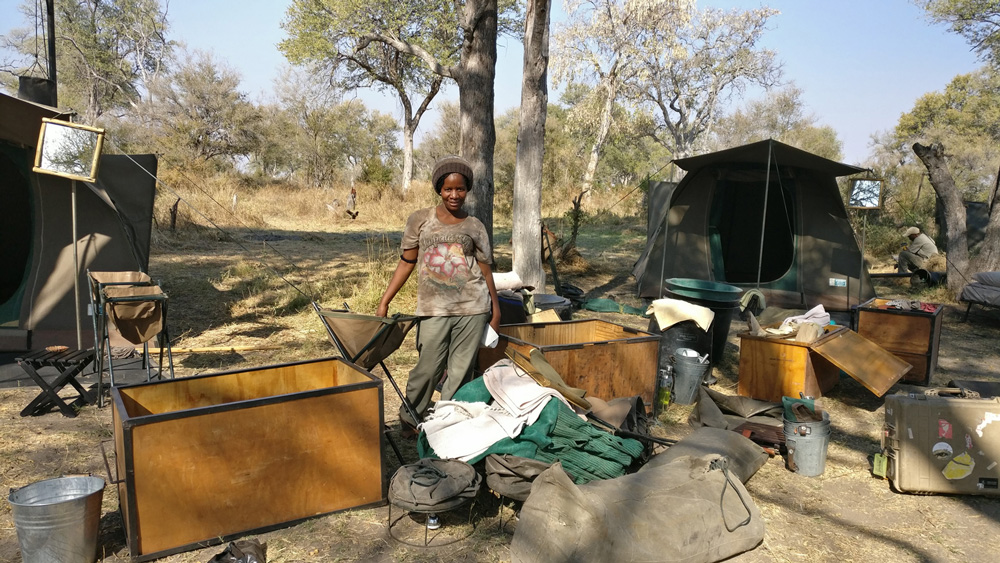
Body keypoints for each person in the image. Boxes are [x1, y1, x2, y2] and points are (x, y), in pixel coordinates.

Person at [377, 155, 501, 436]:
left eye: (460, 189)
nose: (454, 195)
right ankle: (410, 419)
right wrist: (385, 300)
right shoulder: (420, 220)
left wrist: (495, 308)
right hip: (433, 309)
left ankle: (447, 423)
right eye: (448, 189)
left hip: (472, 308)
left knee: (460, 371)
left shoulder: (474, 225)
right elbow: (406, 262)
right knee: (427, 367)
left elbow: (485, 268)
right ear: (439, 189)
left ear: (467, 189)